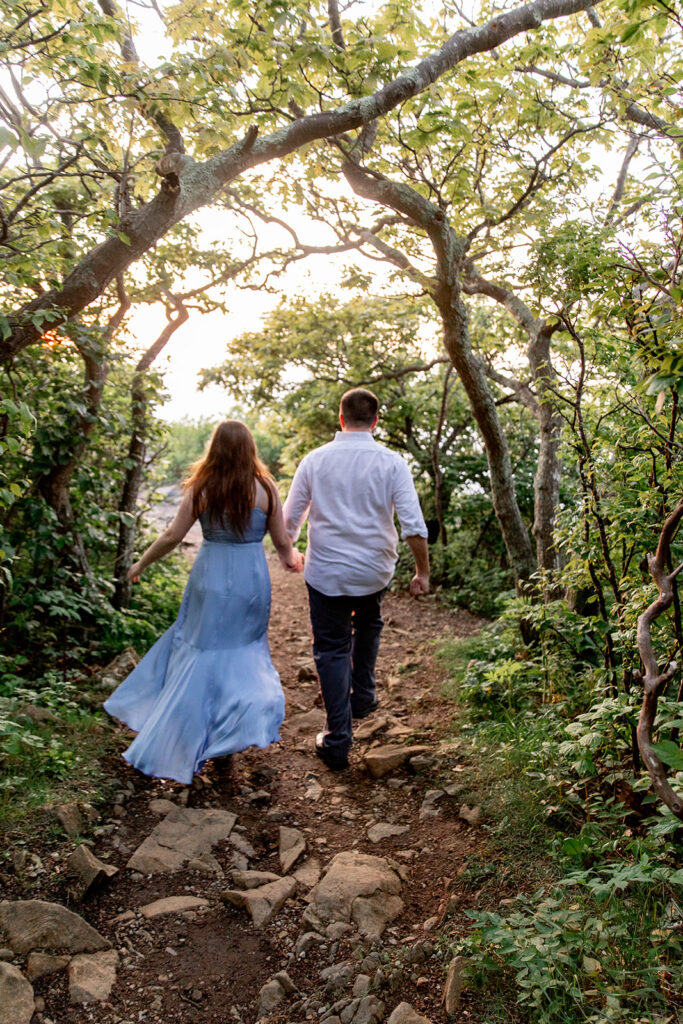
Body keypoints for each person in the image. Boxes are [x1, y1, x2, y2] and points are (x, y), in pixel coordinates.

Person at [104, 420, 303, 784]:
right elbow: (281, 543)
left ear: (215, 448)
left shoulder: (203, 487)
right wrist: (293, 558)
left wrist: (141, 563)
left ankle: (188, 739)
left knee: (198, 653)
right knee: (242, 654)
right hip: (250, 581)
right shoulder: (266, 489)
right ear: (249, 449)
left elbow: (172, 535)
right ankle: (227, 743)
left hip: (210, 577)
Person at [283, 388, 430, 771]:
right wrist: (422, 572)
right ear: (375, 421)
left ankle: (337, 740)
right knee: (368, 621)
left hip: (326, 571)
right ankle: (363, 696)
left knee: (331, 648)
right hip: (373, 570)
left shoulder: (314, 461)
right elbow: (413, 525)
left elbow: (288, 522)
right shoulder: (392, 463)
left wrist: (290, 553)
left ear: (341, 417)